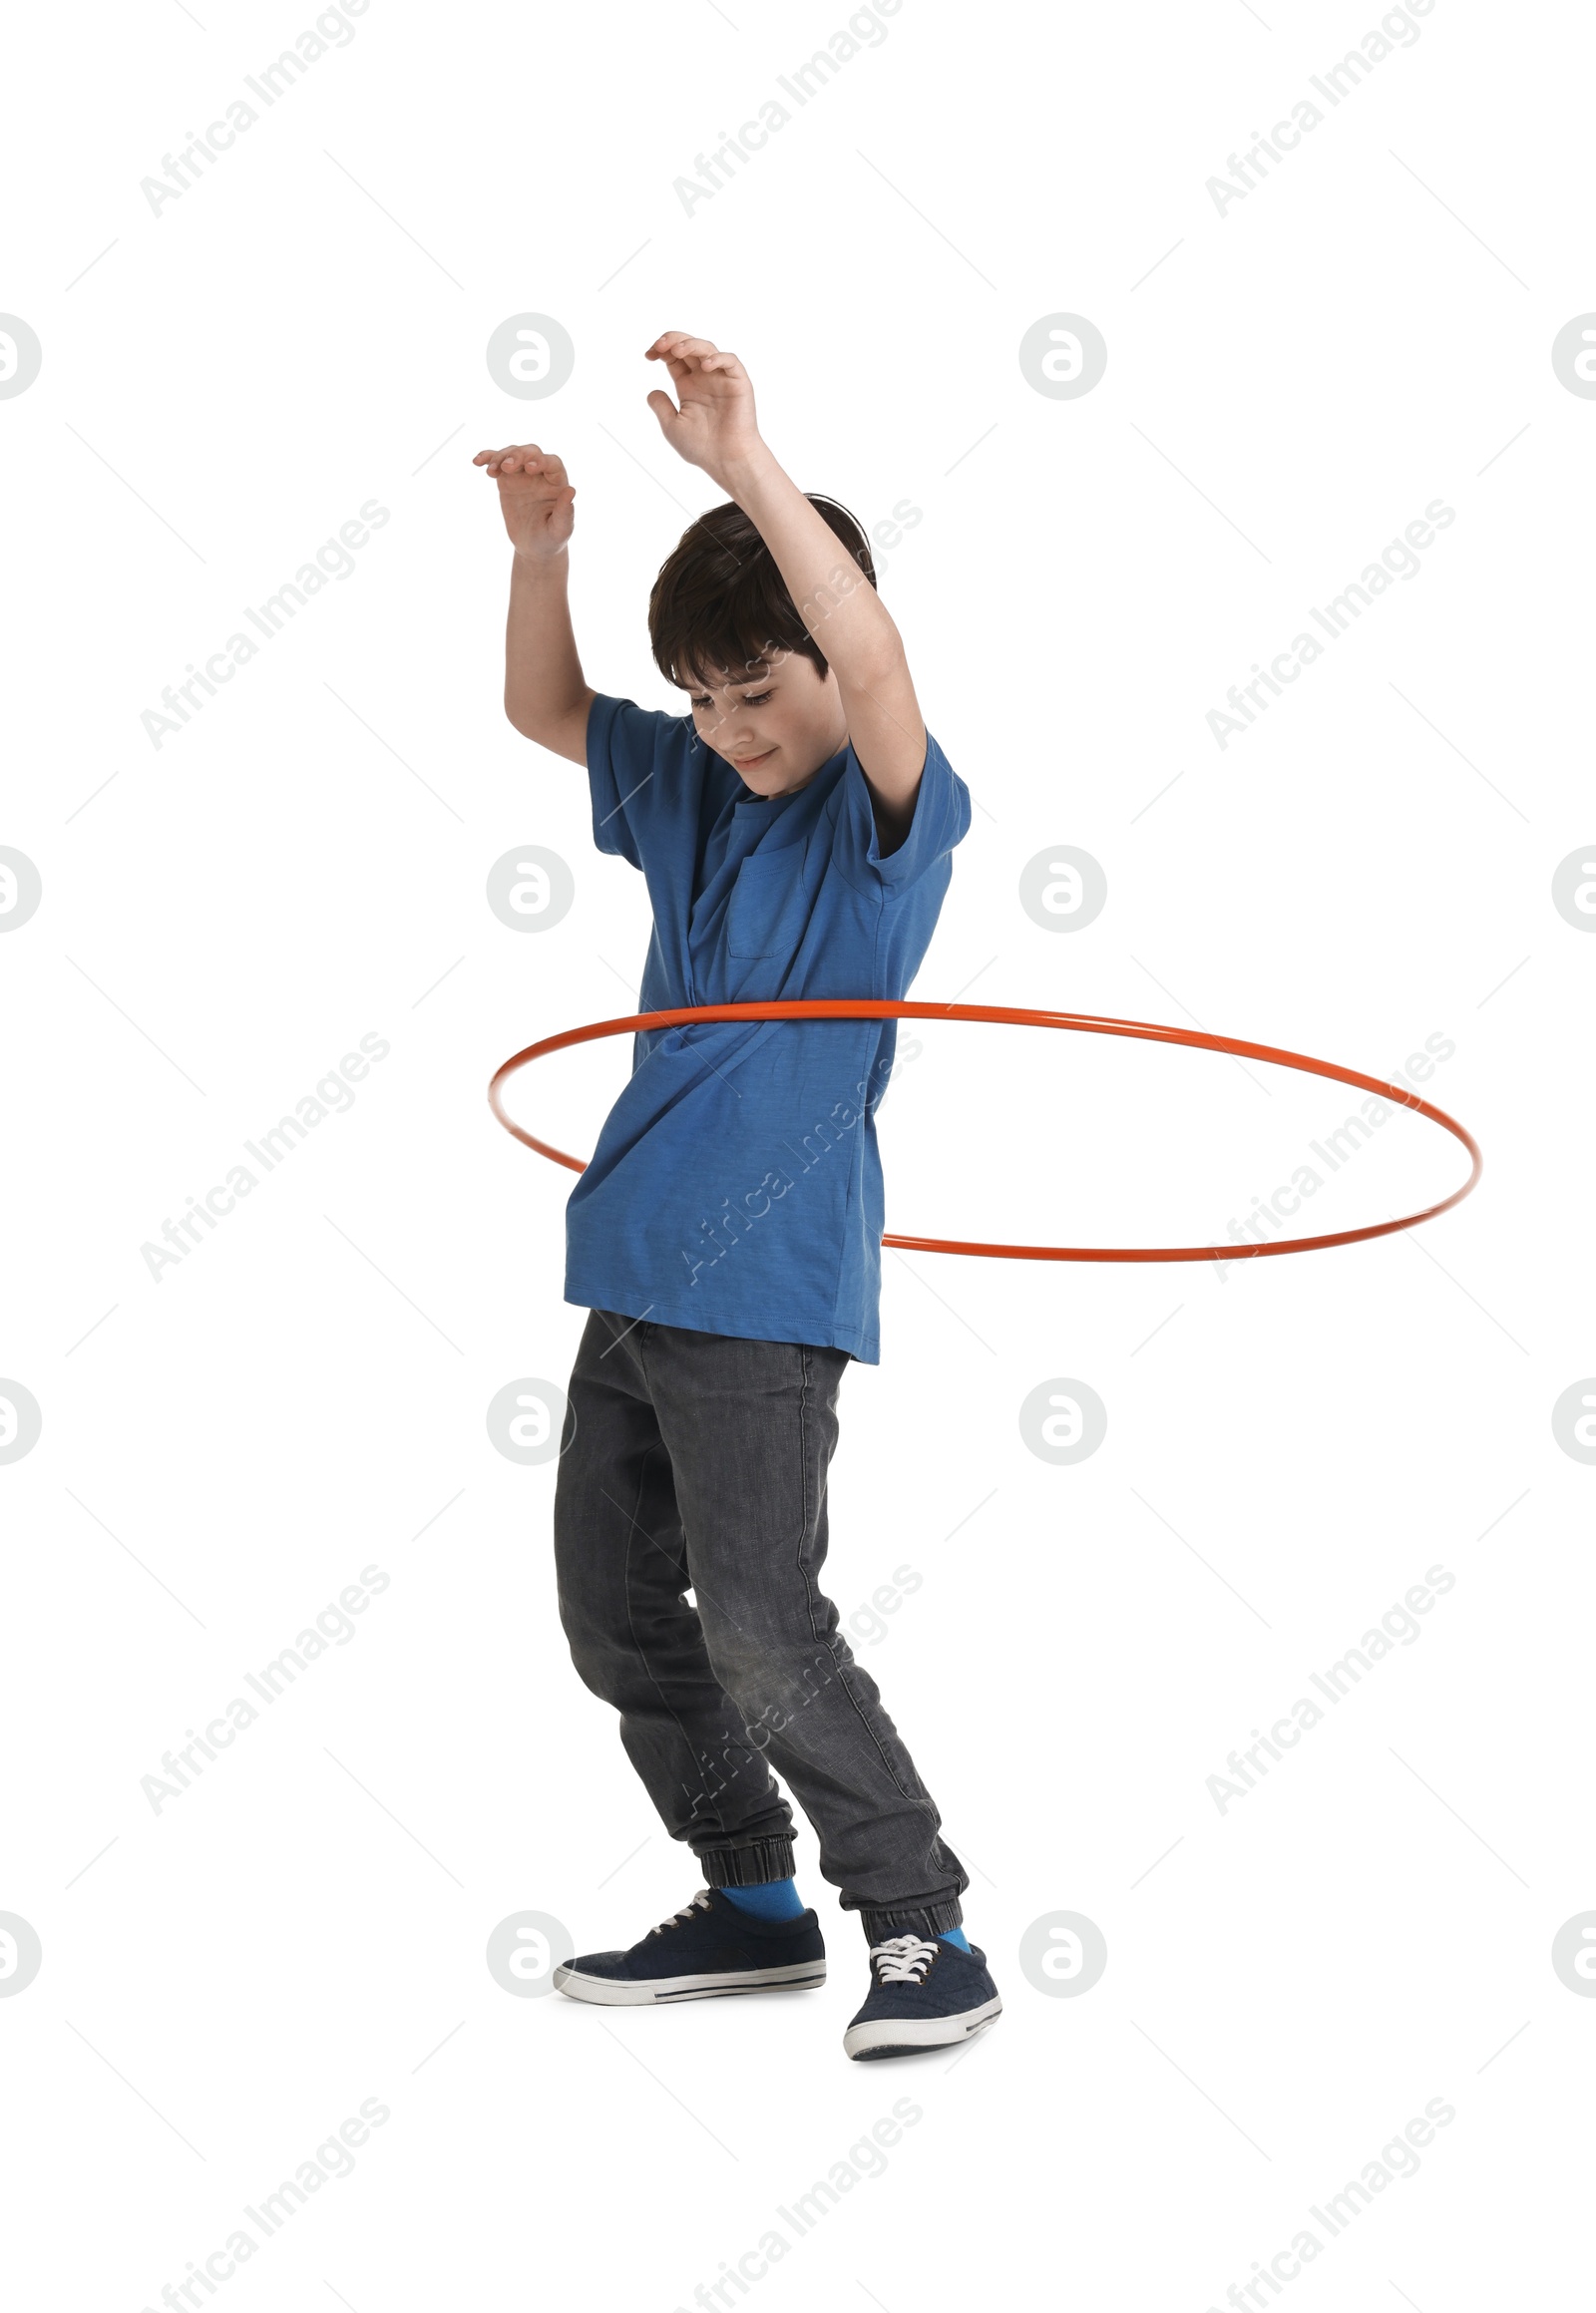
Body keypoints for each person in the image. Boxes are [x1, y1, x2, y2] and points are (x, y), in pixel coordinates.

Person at [474, 330, 999, 2061]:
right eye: (703, 698)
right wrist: (546, 555)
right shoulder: (695, 794)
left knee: (765, 1619)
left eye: (756, 691)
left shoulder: (881, 819)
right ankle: (753, 1898)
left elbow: (872, 649)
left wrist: (747, 472)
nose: (730, 729)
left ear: (826, 674)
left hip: (764, 1285)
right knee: (617, 1613)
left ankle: (922, 1928)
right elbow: (545, 711)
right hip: (630, 1265)